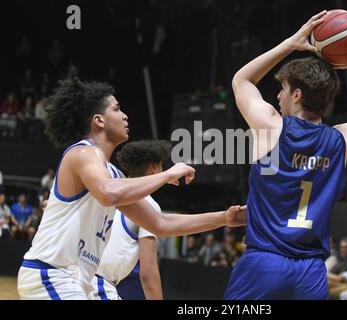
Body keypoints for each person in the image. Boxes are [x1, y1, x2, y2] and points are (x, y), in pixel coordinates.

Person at [17, 70, 246, 300]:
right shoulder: (83, 152)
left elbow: (160, 223)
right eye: (117, 109)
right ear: (99, 120)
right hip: (51, 274)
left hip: (78, 282)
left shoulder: (113, 174)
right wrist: (167, 175)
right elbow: (109, 194)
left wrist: (224, 218)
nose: (125, 115)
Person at [224, 10, 347, 300]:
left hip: (265, 263)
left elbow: (242, 81)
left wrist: (292, 42)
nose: (278, 96)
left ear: (297, 95)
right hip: (311, 273)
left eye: (283, 89)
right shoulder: (340, 141)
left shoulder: (271, 127)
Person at [91, 139, 207, 300]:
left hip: (78, 277)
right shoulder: (148, 204)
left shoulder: (109, 188)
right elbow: (148, 271)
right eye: (161, 165)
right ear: (153, 167)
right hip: (104, 284)